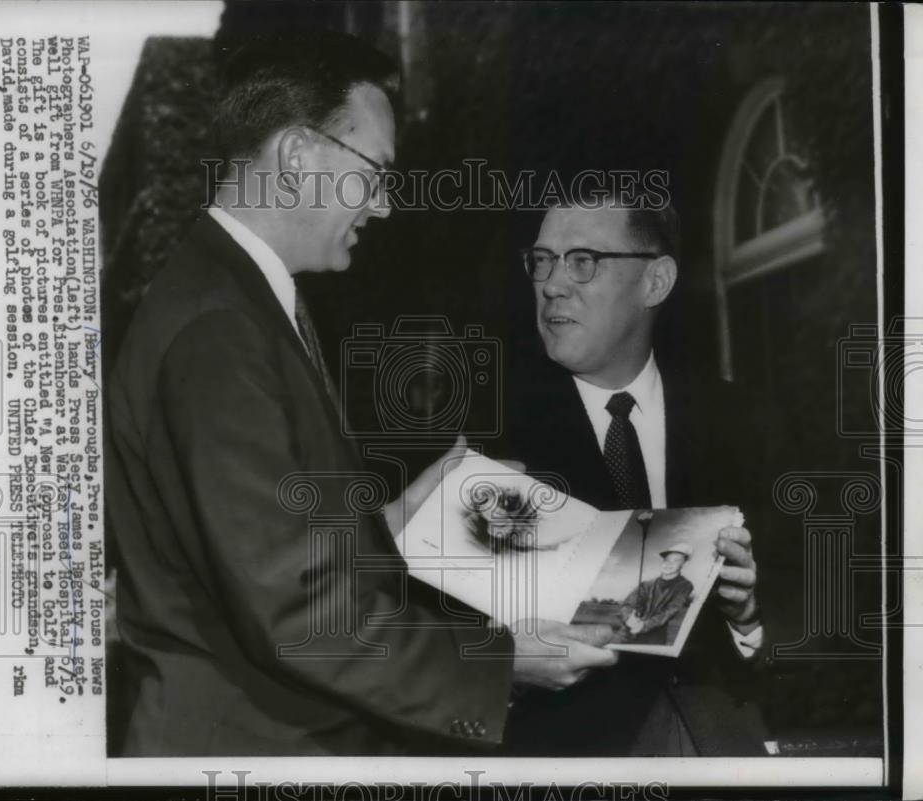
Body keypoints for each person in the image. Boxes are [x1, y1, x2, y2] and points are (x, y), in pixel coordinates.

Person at [105, 30, 615, 757]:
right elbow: (295, 609)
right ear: (296, 156)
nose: (382, 206)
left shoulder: (234, 300)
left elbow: (256, 555)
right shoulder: (218, 328)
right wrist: (501, 662)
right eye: (375, 172)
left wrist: (403, 516)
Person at [500, 194, 768, 756]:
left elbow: (830, 619)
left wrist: (748, 621)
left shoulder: (742, 421)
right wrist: (507, 664)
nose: (552, 285)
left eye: (582, 261)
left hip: (719, 753)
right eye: (542, 261)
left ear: (656, 281)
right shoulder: (489, 437)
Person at [617, 544, 694, 646]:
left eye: (676, 560)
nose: (669, 564)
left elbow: (670, 611)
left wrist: (643, 626)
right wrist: (629, 618)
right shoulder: (646, 584)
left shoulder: (685, 586)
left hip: (654, 638)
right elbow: (627, 605)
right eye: (667, 560)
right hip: (627, 635)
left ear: (684, 564)